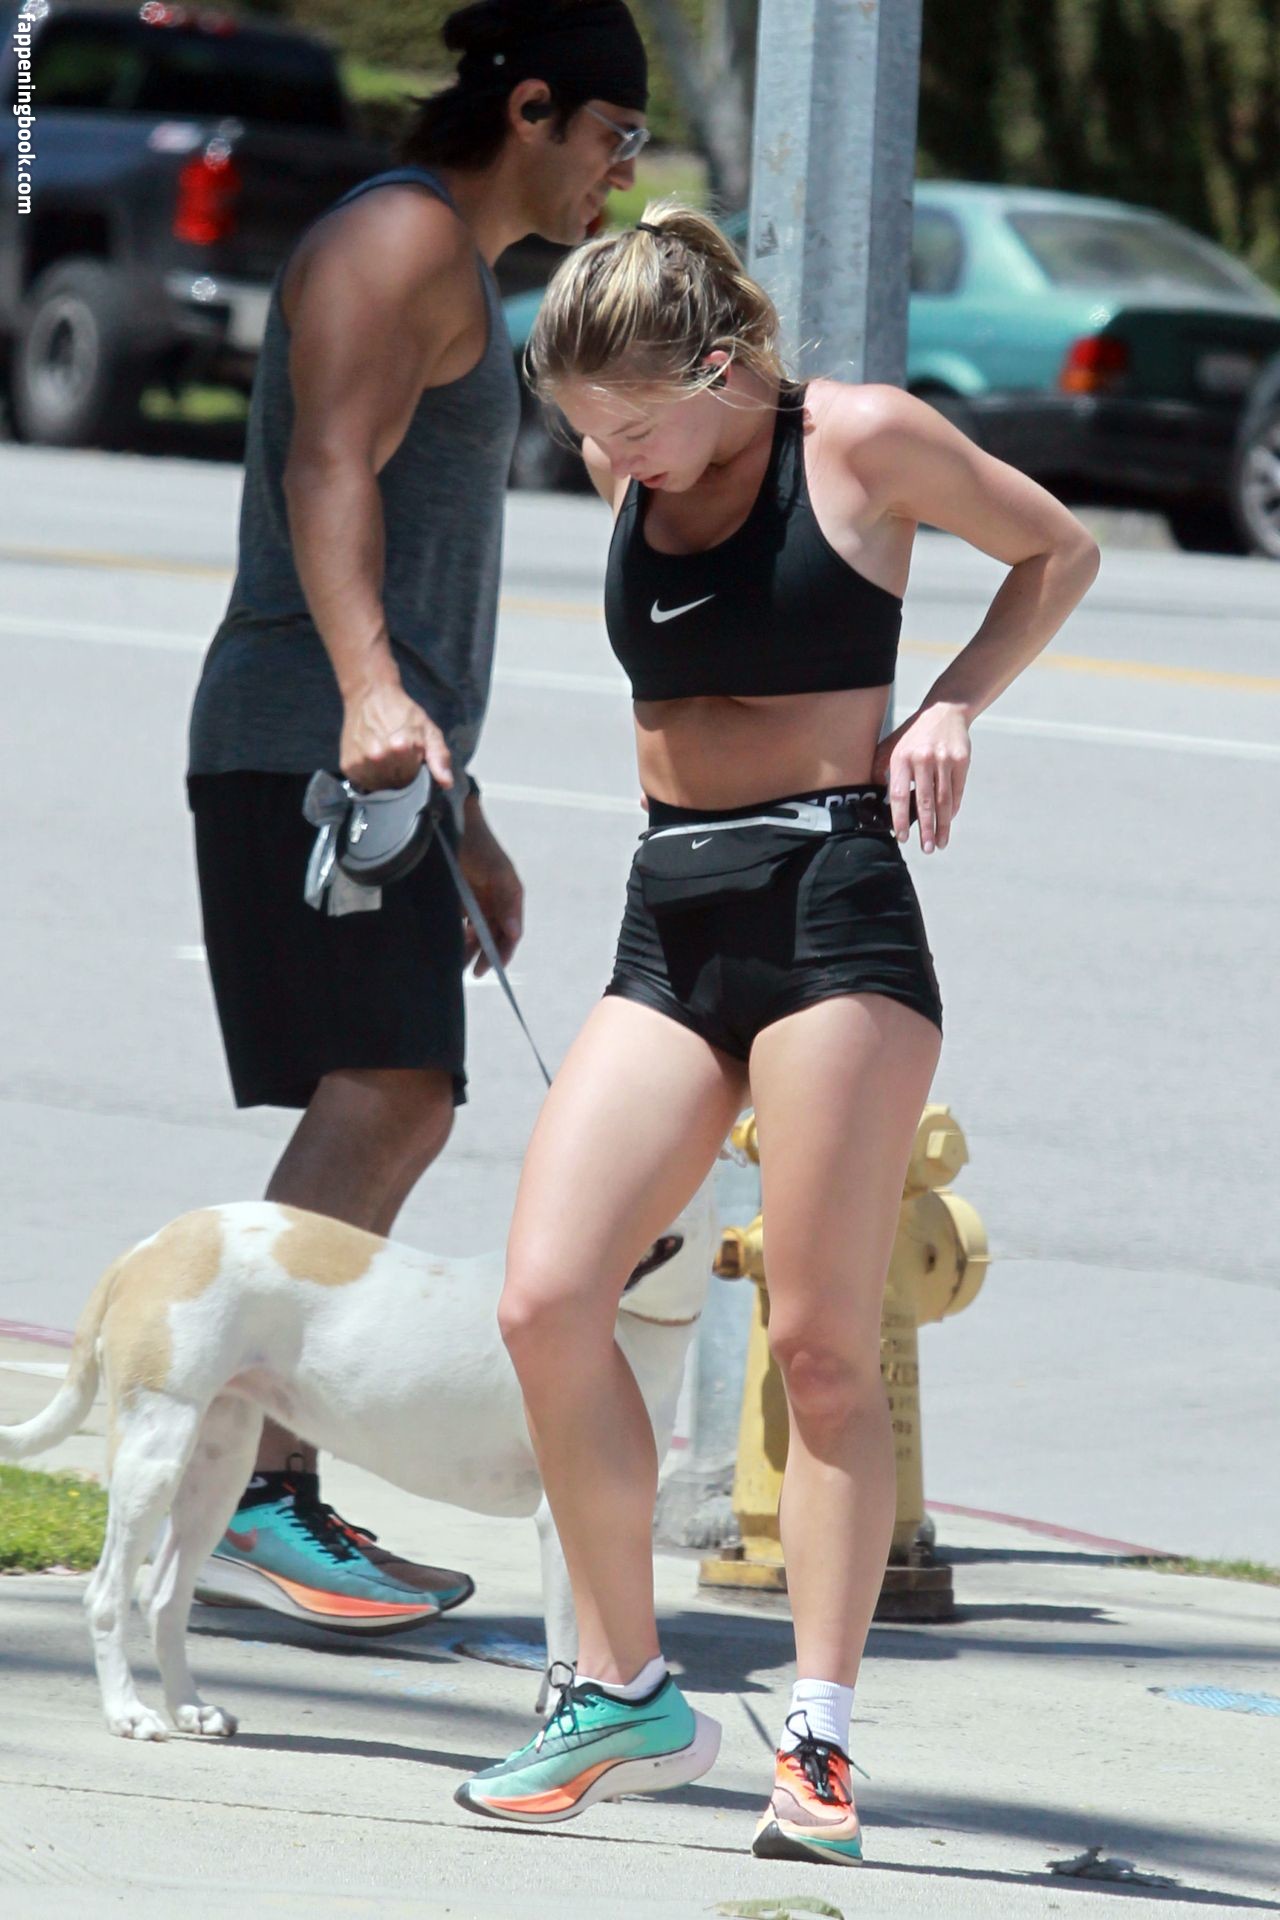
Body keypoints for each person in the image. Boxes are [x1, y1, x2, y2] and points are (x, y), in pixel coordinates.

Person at [454, 206, 1100, 1856]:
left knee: (817, 1343)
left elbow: (1057, 551)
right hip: (669, 915)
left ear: (723, 367)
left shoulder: (861, 441)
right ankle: (625, 1691)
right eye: (589, 431)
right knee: (544, 1298)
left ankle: (816, 1741)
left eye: (635, 425)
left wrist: (950, 703)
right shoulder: (626, 462)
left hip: (833, 909)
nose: (615, 460)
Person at [184, 0, 651, 1635]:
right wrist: (376, 700)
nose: (619, 175)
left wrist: (473, 810)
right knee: (391, 1092)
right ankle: (248, 1490)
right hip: (309, 738)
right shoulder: (400, 239)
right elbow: (327, 468)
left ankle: (248, 1483)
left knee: (394, 1097)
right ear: (532, 110)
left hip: (368, 753)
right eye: (614, 137)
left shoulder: (453, 263)